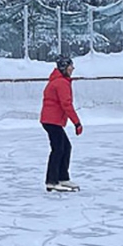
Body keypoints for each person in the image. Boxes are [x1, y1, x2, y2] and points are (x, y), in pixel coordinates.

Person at [40, 56, 82, 192]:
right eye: (70, 66)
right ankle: (52, 180)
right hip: (52, 121)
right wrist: (77, 123)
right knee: (58, 149)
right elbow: (66, 105)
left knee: (65, 147)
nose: (72, 69)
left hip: (51, 120)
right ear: (64, 68)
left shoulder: (57, 81)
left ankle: (62, 177)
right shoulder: (61, 83)